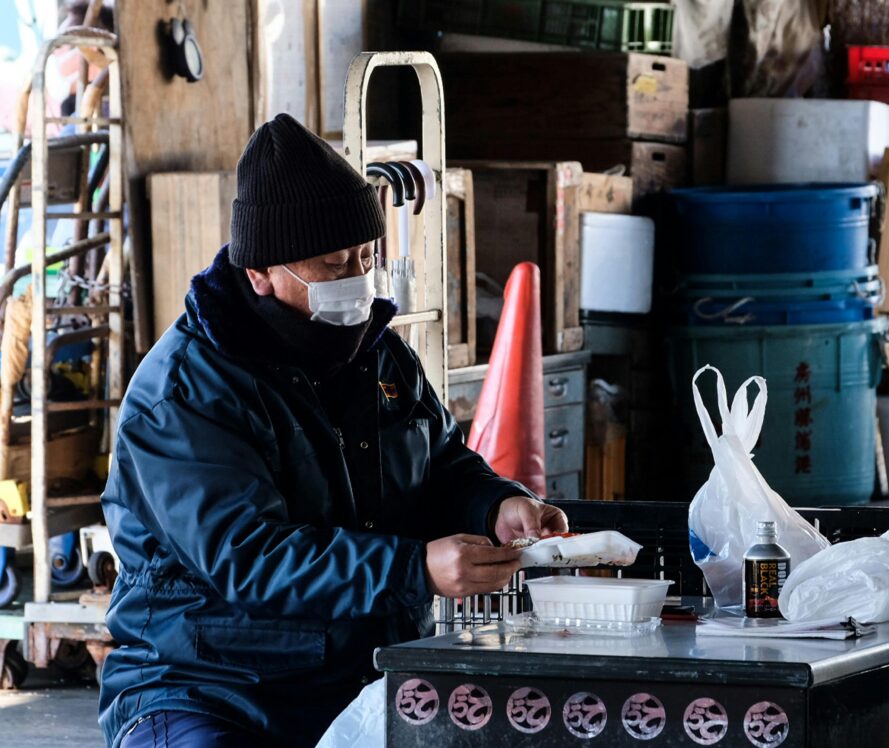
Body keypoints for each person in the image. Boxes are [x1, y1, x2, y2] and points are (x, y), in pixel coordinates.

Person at [98, 113, 567, 747]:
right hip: (208, 686)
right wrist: (413, 569)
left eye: (366, 257)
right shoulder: (186, 391)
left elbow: (439, 463)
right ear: (261, 272)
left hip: (363, 676)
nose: (357, 278)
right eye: (331, 263)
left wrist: (496, 504)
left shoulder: (378, 354)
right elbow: (249, 556)